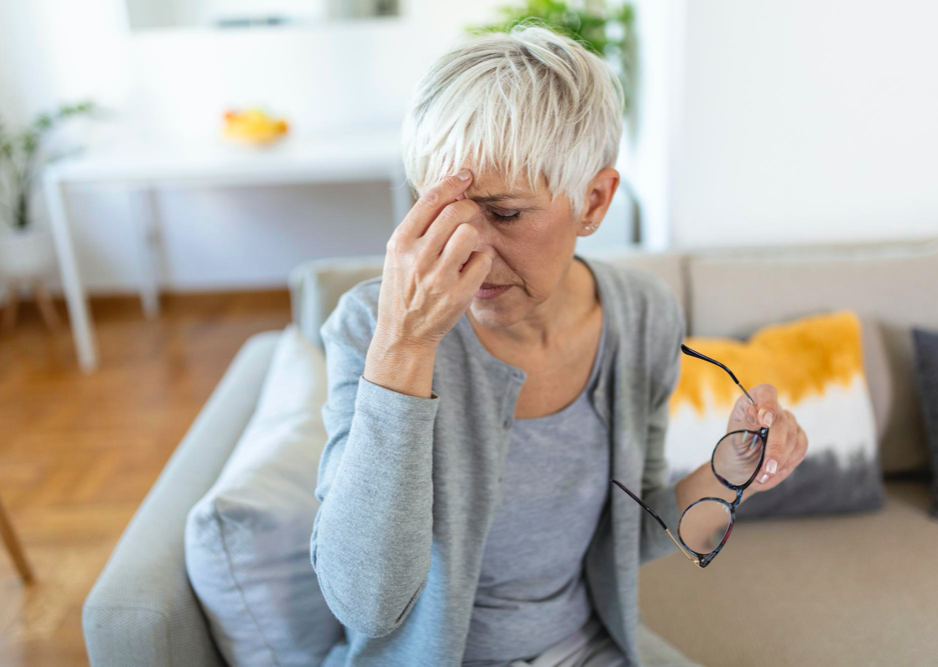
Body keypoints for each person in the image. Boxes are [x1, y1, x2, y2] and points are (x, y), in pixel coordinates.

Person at [310, 24, 809, 666]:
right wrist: (404, 345)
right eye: (438, 210)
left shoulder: (643, 317)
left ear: (594, 201)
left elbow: (631, 540)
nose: (465, 249)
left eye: (507, 213)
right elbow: (365, 604)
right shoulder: (370, 328)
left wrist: (728, 476)